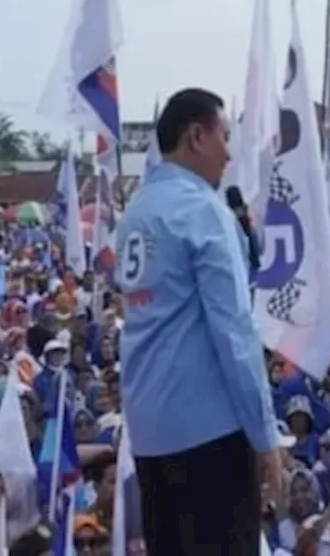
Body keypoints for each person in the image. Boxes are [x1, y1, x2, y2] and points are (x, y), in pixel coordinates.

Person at [117, 87, 282, 554]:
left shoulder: (136, 212)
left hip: (151, 435)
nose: (229, 154)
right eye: (224, 137)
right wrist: (265, 437)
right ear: (196, 136)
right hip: (209, 435)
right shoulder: (204, 211)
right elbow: (235, 333)